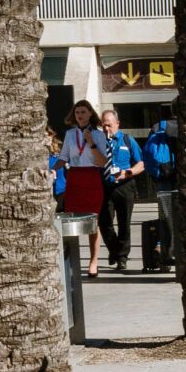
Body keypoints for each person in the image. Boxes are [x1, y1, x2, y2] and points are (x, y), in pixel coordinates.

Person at [58, 100, 111, 276]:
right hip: (74, 177)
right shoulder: (70, 134)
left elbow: (102, 162)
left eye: (83, 112)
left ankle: (93, 261)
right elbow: (64, 157)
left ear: (90, 113)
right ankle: (71, 261)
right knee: (70, 219)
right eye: (77, 112)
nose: (79, 115)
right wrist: (51, 169)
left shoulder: (99, 135)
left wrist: (91, 142)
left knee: (92, 221)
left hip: (92, 177)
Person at [95, 108, 144, 272]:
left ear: (117, 124)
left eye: (109, 125)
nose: (106, 129)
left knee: (124, 223)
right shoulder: (98, 142)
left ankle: (122, 257)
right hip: (104, 185)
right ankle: (115, 250)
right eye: (103, 125)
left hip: (124, 185)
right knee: (104, 222)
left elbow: (141, 163)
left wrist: (128, 172)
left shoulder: (127, 140)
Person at [145, 118, 177, 266]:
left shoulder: (159, 126)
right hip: (185, 179)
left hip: (164, 177)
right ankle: (173, 250)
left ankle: (163, 249)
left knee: (166, 217)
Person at [44, 125, 66, 210]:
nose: (48, 138)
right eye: (44, 136)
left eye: (49, 135)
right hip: (45, 193)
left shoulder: (59, 152)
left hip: (61, 191)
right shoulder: (37, 157)